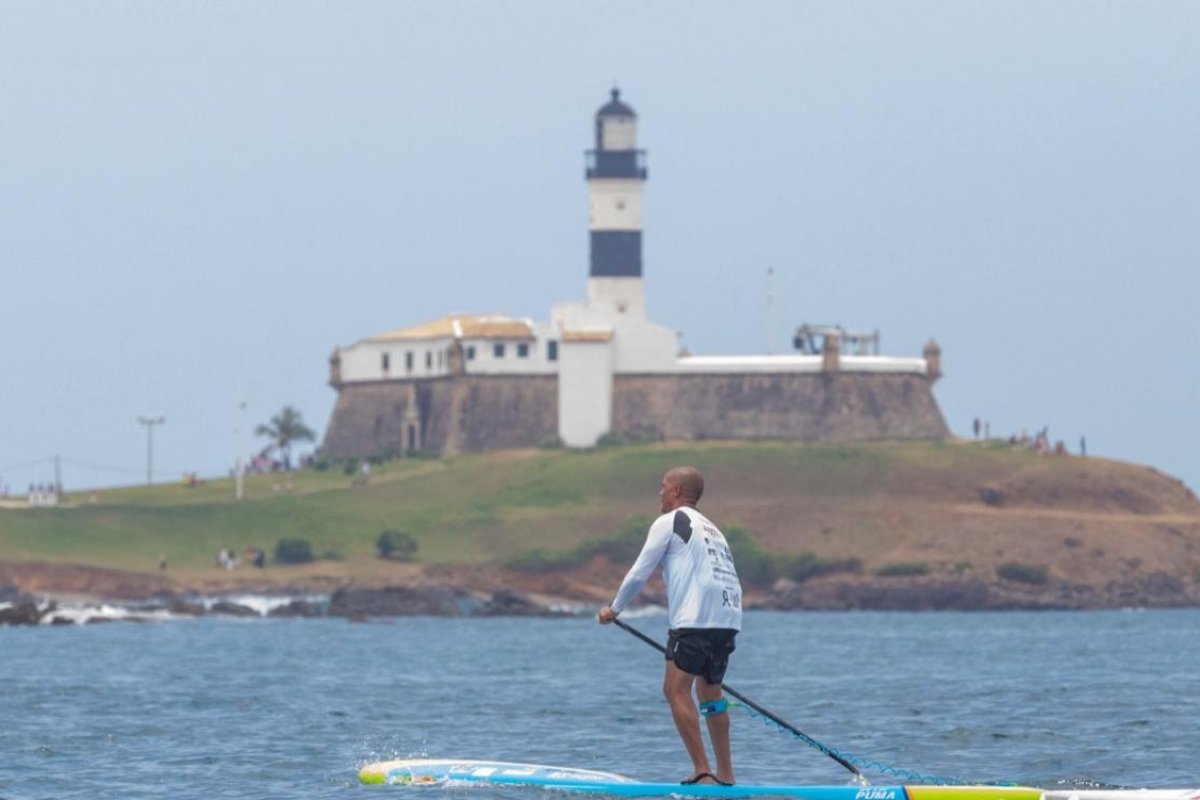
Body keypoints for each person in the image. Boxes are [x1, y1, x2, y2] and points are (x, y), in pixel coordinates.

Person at [598, 466, 742, 787]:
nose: (659, 493)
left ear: (676, 490)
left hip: (694, 620)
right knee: (710, 691)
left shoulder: (669, 522)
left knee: (675, 689)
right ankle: (727, 776)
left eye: (662, 487)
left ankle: (702, 772)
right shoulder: (713, 528)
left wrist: (614, 608)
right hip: (728, 619)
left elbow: (639, 571)